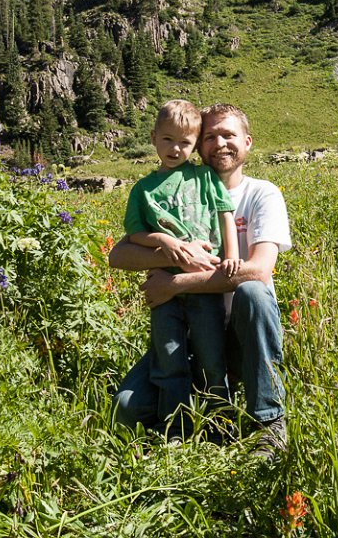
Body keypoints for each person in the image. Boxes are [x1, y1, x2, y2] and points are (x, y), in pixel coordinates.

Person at [111, 103, 291, 459]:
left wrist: (174, 284)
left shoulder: (262, 193)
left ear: (248, 142)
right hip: (187, 329)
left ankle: (268, 422)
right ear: (199, 145)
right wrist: (175, 253)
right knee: (126, 408)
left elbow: (258, 271)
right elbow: (119, 255)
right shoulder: (169, 188)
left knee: (253, 292)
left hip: (241, 334)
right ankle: (185, 426)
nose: (219, 143)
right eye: (210, 137)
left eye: (228, 135)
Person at [123, 99, 242, 439]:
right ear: (153, 138)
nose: (175, 149)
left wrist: (232, 255)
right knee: (169, 360)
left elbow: (225, 215)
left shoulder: (204, 176)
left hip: (204, 286)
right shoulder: (142, 189)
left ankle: (220, 427)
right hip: (165, 289)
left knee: (212, 359)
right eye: (167, 140)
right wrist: (165, 241)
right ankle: (175, 430)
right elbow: (135, 234)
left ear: (195, 145)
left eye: (185, 142)